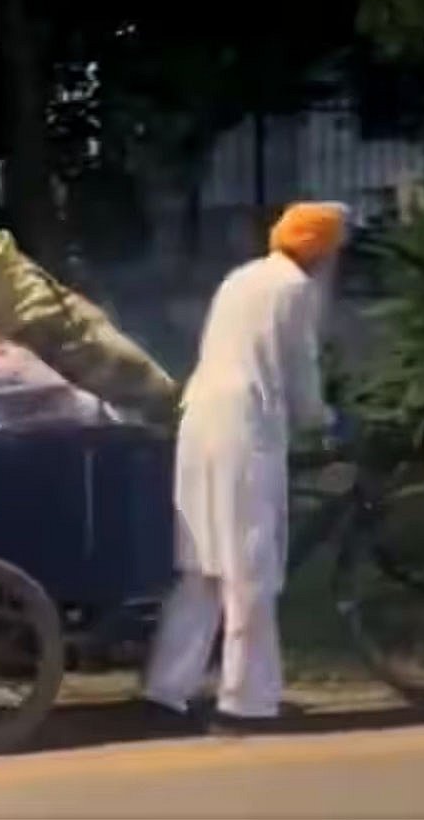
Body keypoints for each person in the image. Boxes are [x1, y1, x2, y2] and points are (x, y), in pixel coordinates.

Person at [143, 201, 346, 734]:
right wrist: (325, 419)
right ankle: (246, 703)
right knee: (249, 569)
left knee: (201, 569)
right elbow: (300, 371)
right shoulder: (295, 289)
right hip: (243, 430)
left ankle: (167, 690)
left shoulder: (240, 279)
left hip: (199, 423)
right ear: (321, 252)